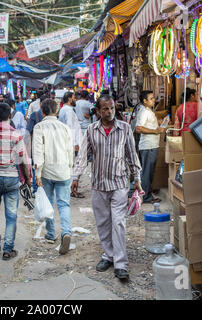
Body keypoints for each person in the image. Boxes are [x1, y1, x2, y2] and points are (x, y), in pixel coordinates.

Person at [71, 95, 142, 280]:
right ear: (98, 111)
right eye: (105, 109)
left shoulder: (125, 128)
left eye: (111, 108)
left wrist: (137, 178)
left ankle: (120, 263)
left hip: (119, 182)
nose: (109, 112)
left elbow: (131, 155)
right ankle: (108, 255)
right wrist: (75, 177)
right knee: (103, 223)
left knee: (118, 222)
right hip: (99, 183)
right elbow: (83, 156)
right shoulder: (92, 131)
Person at [0, 103, 32, 261]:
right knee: (11, 215)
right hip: (11, 178)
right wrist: (28, 180)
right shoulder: (16, 135)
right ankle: (8, 249)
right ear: (10, 116)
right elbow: (22, 160)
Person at [32, 98, 74, 254]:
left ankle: (50, 234)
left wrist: (37, 174)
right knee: (64, 204)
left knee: (48, 204)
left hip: (47, 171)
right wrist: (70, 167)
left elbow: (38, 152)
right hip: (63, 171)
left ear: (42, 112)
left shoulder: (39, 127)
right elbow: (70, 151)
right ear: (56, 111)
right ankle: (66, 232)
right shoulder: (65, 128)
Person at [135, 91, 165, 203]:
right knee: (147, 173)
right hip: (148, 146)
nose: (154, 100)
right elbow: (138, 128)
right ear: (145, 101)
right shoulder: (144, 112)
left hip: (151, 145)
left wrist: (157, 125)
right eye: (151, 98)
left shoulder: (148, 111)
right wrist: (155, 131)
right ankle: (146, 197)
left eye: (153, 98)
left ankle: (146, 194)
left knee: (148, 172)